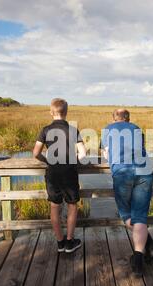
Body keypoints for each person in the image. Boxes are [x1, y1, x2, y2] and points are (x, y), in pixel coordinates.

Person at [101, 109, 153, 277]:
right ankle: (140, 258)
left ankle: (145, 252)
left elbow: (106, 153)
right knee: (140, 216)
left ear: (113, 119)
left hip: (122, 172)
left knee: (127, 215)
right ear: (128, 119)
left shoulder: (107, 130)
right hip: (144, 170)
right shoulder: (136, 128)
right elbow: (141, 149)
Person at [33, 98, 86, 253]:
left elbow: (35, 153)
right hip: (69, 172)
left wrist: (47, 160)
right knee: (72, 206)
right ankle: (70, 242)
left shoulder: (45, 130)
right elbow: (83, 153)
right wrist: (72, 160)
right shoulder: (73, 130)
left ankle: (60, 242)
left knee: (54, 206)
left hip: (52, 173)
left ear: (51, 112)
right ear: (66, 112)